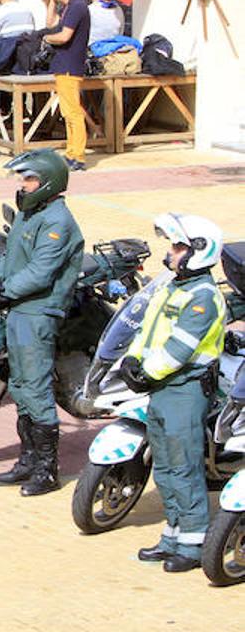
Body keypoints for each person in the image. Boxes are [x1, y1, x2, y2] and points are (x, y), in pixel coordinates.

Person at [121, 213, 227, 573]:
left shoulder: (203, 297)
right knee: (164, 467)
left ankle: (194, 544)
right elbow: (148, 331)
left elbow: (179, 349)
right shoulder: (172, 286)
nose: (171, 252)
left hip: (185, 390)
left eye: (179, 246)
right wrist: (132, 359)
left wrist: (144, 374)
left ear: (199, 251)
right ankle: (173, 535)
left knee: (184, 466)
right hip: (162, 388)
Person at [0, 148, 84, 497]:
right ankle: (27, 459)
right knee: (22, 386)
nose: (23, 185)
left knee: (36, 388)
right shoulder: (31, 213)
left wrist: (5, 290)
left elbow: (41, 272)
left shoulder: (57, 221)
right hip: (18, 309)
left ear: (48, 182)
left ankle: (46, 468)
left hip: (37, 313)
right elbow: (12, 255)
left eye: (29, 179)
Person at [42, 0, 91, 172]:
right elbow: (51, 23)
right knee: (67, 112)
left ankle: (77, 156)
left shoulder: (77, 6)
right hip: (64, 65)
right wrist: (52, 3)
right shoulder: (69, 6)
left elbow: (63, 36)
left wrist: (46, 39)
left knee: (73, 113)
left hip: (70, 65)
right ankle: (71, 152)